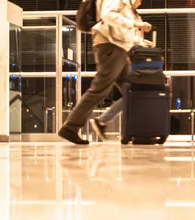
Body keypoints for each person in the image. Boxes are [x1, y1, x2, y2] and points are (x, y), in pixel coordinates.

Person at [59, 0, 154, 145]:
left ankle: (136, 132)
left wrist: (139, 41)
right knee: (100, 89)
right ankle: (70, 127)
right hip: (110, 47)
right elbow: (108, 16)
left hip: (118, 48)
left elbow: (118, 30)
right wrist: (136, 24)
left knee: (134, 90)